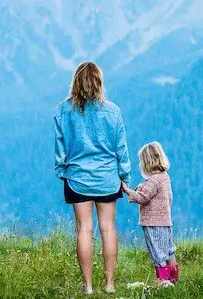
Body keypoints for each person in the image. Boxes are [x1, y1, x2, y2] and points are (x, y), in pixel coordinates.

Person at [54, 62, 131, 295]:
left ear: (75, 82)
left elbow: (60, 147)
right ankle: (109, 284)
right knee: (108, 228)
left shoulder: (62, 111)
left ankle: (87, 286)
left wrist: (62, 171)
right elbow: (121, 149)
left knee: (84, 230)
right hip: (107, 178)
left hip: (77, 178)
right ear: (99, 82)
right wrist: (124, 176)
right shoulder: (113, 111)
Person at [121, 141, 179, 287]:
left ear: (147, 162)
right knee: (169, 251)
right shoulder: (164, 177)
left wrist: (127, 190)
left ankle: (164, 282)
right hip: (166, 222)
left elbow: (143, 198)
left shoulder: (153, 180)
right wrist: (141, 187)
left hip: (153, 223)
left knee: (158, 253)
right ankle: (174, 280)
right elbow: (166, 196)